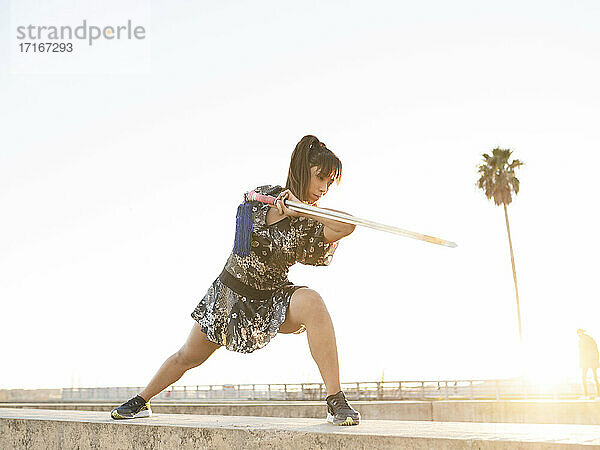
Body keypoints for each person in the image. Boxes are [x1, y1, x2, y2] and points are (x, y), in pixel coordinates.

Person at [110, 135, 361, 425]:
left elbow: (348, 225)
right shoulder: (263, 197)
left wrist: (308, 211)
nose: (324, 189)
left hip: (271, 300)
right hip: (230, 294)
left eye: (330, 183)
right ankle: (142, 400)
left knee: (313, 302)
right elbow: (246, 211)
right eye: (321, 178)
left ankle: (335, 401)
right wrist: (284, 205)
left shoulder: (310, 223)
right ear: (304, 169)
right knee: (187, 357)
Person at [577, 328, 600, 399]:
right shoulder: (590, 339)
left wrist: (582, 363)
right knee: (595, 378)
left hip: (586, 362)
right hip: (593, 361)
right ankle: (598, 394)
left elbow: (582, 353)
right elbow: (596, 351)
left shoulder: (582, 340)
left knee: (583, 378)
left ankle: (586, 394)